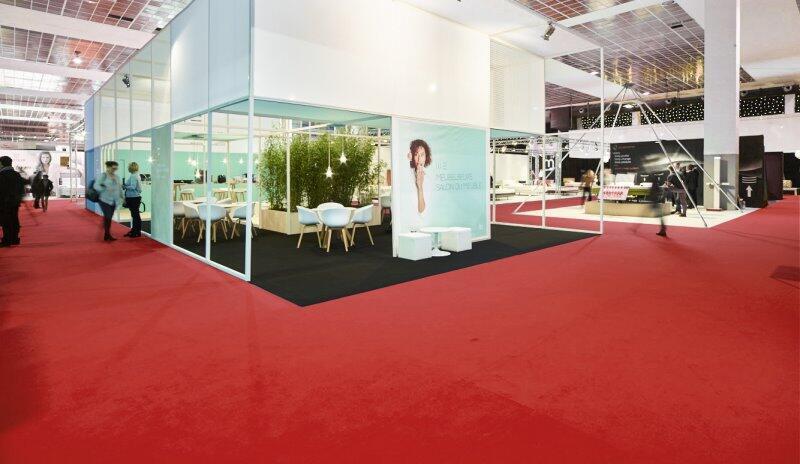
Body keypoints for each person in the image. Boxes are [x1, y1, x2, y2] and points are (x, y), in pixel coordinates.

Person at [94, 160, 124, 241]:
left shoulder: (117, 177)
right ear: (108, 167)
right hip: (104, 200)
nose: (114, 170)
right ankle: (107, 234)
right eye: (113, 168)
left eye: (116, 169)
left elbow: (119, 188)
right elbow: (96, 186)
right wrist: (104, 188)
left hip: (113, 200)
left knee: (109, 217)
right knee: (108, 216)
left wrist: (122, 196)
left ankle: (107, 234)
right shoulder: (103, 176)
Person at [0, 156, 25, 247]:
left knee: (6, 221)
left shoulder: (2, 175)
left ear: (2, 164)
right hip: (15, 201)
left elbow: (2, 190)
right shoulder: (16, 174)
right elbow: (21, 187)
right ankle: (15, 238)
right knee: (14, 219)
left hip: (4, 202)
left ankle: (7, 240)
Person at [407, 139, 431, 215]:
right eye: (416, 154)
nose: (419, 158)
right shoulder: (408, 173)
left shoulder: (428, 179)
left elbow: (422, 211)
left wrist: (420, 187)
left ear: (426, 156)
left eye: (422, 155)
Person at [645, 172, 668, 237]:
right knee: (659, 215)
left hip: (654, 201)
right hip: (655, 201)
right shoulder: (656, 184)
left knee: (659, 215)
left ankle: (663, 229)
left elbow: (654, 193)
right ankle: (663, 229)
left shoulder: (654, 185)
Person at [123, 162, 142, 238]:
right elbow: (128, 184)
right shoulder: (134, 175)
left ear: (131, 168)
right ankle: (135, 230)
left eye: (129, 167)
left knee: (135, 215)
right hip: (133, 197)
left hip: (134, 198)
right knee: (135, 215)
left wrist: (125, 187)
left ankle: (136, 232)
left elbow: (133, 187)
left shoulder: (134, 176)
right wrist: (124, 185)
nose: (128, 168)